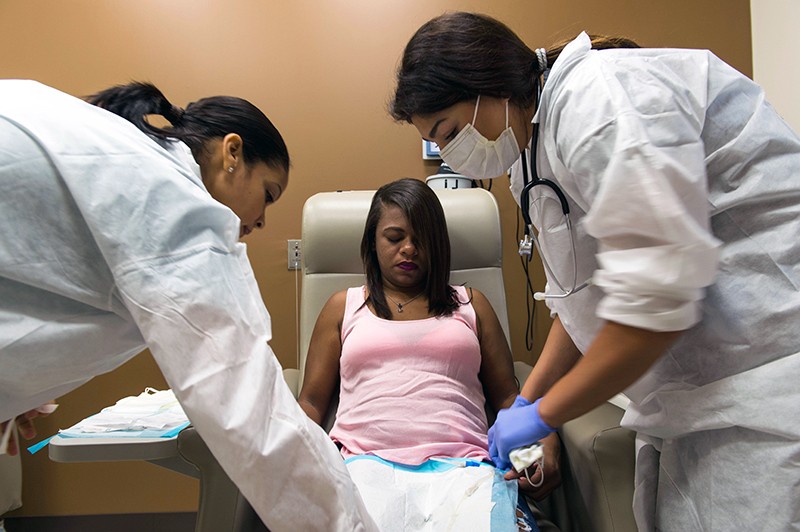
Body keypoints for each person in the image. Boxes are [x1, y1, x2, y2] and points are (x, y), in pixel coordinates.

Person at [389, 12, 800, 531]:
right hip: (696, 397)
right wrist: (525, 402)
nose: (451, 155)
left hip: (769, 376)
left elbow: (654, 304)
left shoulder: (600, 103)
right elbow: (582, 302)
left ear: (487, 85)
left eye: (449, 133)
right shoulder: (530, 162)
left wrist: (543, 415)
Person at [0, 79, 376, 531]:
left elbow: (35, 278)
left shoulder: (122, 159)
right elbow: (253, 415)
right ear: (232, 153)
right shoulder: (169, 202)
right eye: (268, 194)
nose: (259, 220)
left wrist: (17, 380)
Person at [297, 178, 553, 531]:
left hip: (465, 469)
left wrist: (538, 448)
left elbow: (509, 397)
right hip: (363, 467)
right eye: (395, 237)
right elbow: (311, 403)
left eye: (421, 239)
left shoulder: (471, 304)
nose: (409, 249)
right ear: (373, 241)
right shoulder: (344, 307)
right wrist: (290, 465)